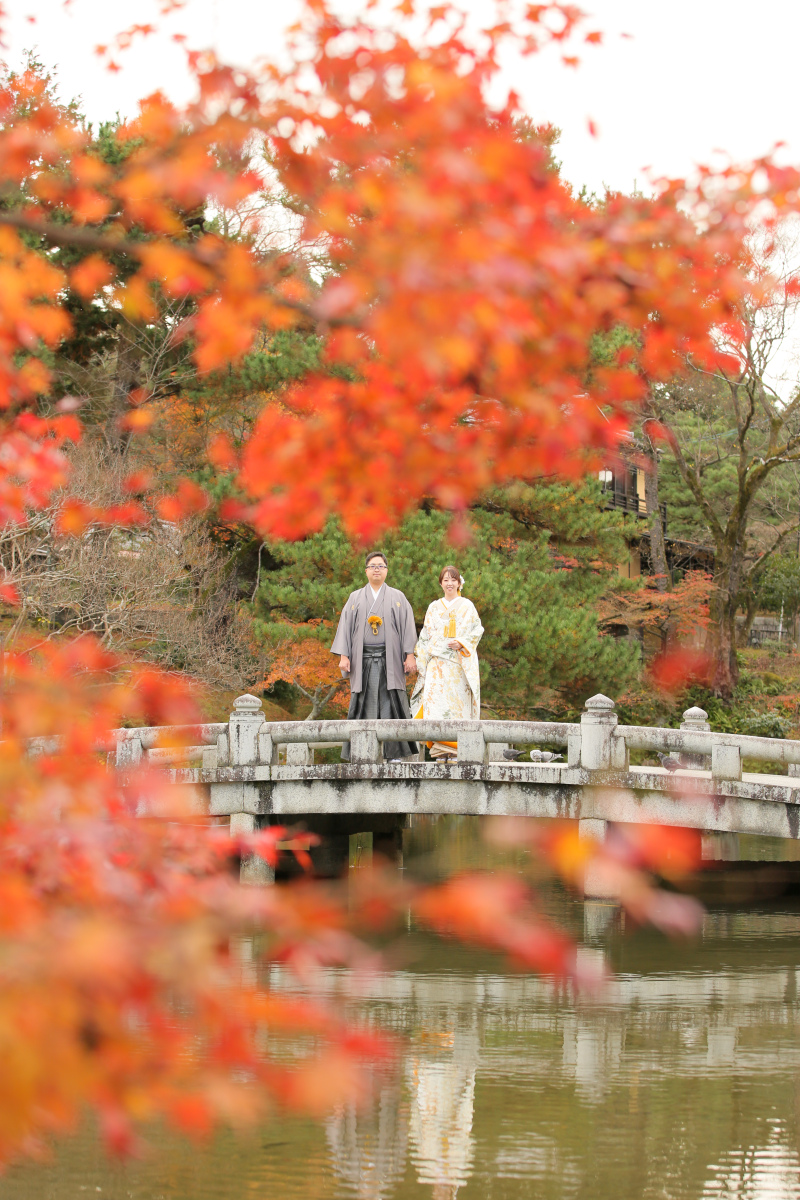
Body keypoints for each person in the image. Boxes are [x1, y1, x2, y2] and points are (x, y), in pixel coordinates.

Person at [330, 550, 418, 761]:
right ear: (366, 571)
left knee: (393, 703)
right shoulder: (355, 597)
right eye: (373, 566)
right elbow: (345, 628)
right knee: (363, 705)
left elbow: (408, 628)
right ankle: (362, 753)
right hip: (363, 661)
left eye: (380, 566)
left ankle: (395, 754)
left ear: (386, 570)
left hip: (392, 660)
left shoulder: (398, 597)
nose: (376, 569)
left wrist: (410, 655)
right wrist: (344, 656)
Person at [411, 565, 483, 760]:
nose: (449, 583)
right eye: (446, 580)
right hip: (436, 667)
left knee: (457, 708)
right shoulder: (434, 607)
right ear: (441, 583)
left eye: (453, 579)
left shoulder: (467, 606)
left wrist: (461, 642)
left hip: (457, 666)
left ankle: (458, 751)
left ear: (459, 583)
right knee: (436, 707)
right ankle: (440, 752)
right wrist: (421, 662)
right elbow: (425, 636)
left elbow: (477, 630)